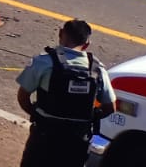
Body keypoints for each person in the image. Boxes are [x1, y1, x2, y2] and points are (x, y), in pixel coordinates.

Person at [16, 18, 115, 167]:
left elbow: (23, 96)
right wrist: (89, 118)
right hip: (76, 140)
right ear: (87, 44)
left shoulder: (44, 62)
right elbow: (110, 107)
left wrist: (36, 114)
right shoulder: (97, 69)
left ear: (60, 34)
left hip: (44, 136)